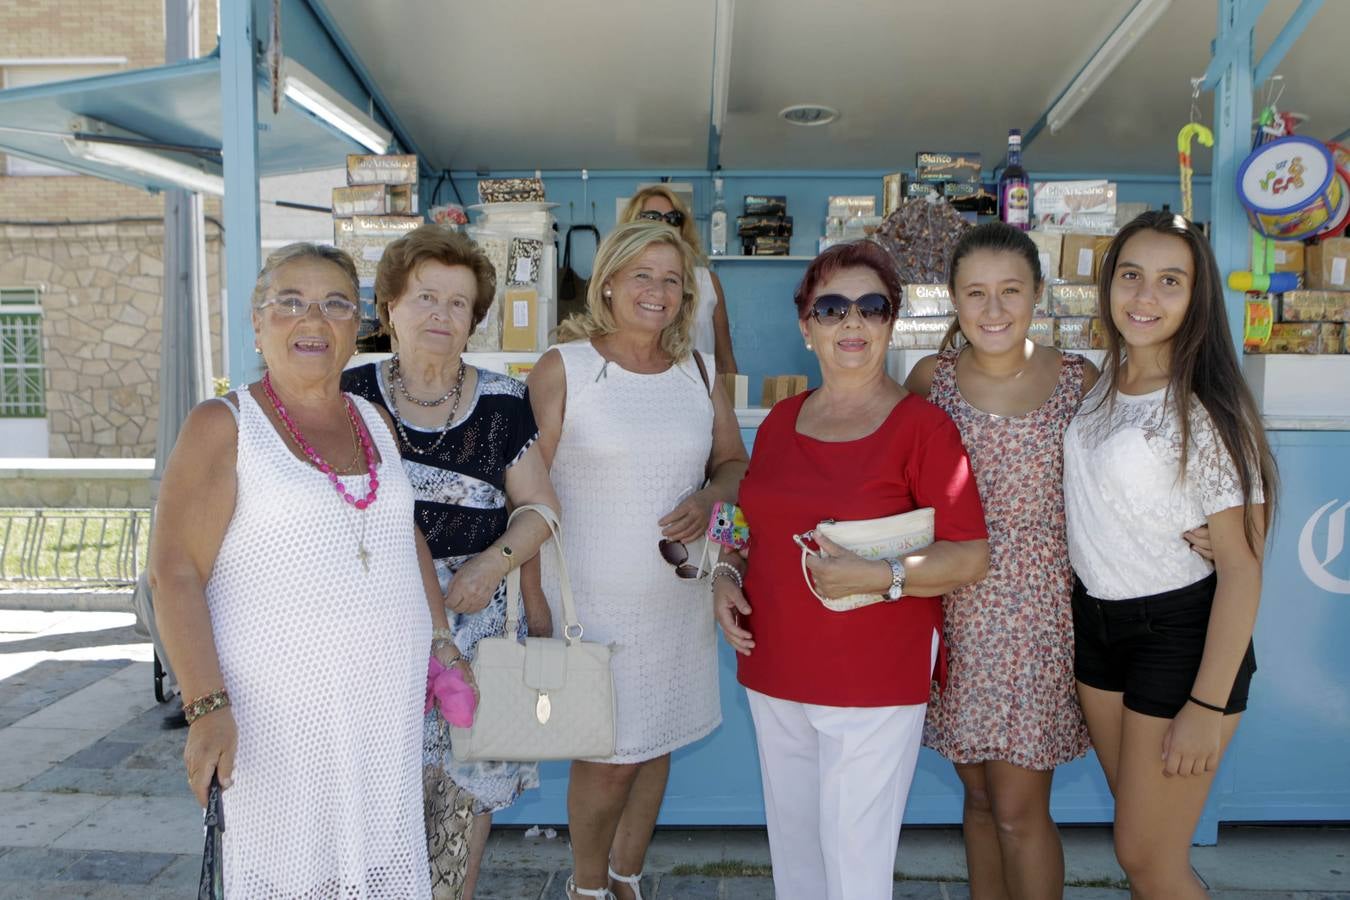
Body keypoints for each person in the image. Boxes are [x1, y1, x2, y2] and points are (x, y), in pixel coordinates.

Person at [150, 243, 460, 898]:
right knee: (288, 874)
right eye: (289, 303)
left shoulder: (374, 421)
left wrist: (440, 644)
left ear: (359, 327)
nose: (311, 320)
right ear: (257, 326)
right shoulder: (224, 425)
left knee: (374, 871)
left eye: (334, 304)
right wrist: (206, 706)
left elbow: (403, 536)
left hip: (381, 713)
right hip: (275, 721)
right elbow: (174, 573)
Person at [714, 239, 991, 900]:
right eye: (832, 308)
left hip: (873, 674)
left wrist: (880, 577)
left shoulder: (923, 429)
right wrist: (725, 572)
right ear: (805, 325)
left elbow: (969, 553)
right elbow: (747, 515)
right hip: (774, 664)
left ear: (891, 322)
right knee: (798, 855)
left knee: (855, 864)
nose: (852, 323)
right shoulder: (780, 422)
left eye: (872, 307)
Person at [524, 219, 749, 900]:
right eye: (643, 275)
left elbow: (737, 465)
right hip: (590, 603)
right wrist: (533, 604)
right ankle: (587, 888)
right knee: (609, 758)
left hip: (676, 602)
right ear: (611, 283)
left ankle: (627, 877)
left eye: (672, 280)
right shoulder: (566, 367)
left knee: (658, 746)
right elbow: (525, 491)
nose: (658, 291)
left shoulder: (698, 370)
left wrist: (713, 494)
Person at [342, 224, 560, 900]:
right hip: (377, 628)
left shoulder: (503, 401)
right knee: (380, 796)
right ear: (389, 309)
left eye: (458, 303)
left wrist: (493, 564)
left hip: (481, 628)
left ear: (474, 320)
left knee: (464, 805)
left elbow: (541, 512)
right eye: (425, 297)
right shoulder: (349, 397)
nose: (441, 314)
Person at [1063, 212, 1276, 899]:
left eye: (1169, 281)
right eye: (1131, 276)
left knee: (1146, 856)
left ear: (1196, 299)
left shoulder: (1206, 408)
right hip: (1097, 628)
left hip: (1180, 636)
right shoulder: (1099, 382)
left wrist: (1206, 707)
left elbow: (1243, 569)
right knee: (1141, 845)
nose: (1144, 297)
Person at [905, 223, 1095, 900]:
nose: (993, 310)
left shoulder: (1078, 378)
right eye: (975, 293)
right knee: (981, 798)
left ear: (1038, 294)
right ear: (952, 300)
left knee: (1018, 809)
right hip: (955, 606)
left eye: (1010, 291)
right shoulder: (931, 379)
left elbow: (1120, 481)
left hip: (1040, 617)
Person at [618, 185, 738, 374]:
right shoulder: (620, 280)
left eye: (673, 218)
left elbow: (725, 360)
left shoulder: (707, 282)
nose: (664, 224)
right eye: (652, 217)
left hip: (701, 397)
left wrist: (730, 401)